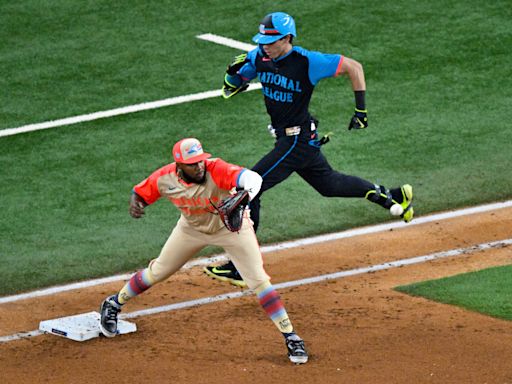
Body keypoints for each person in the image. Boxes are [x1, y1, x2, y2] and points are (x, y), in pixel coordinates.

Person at [204, 12, 414, 287]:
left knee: (248, 188)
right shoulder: (258, 57)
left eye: (272, 41)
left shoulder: (308, 62)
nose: (265, 46)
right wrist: (232, 74)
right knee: (328, 184)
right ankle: (395, 195)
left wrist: (360, 110)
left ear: (287, 38)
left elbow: (355, 67)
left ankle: (242, 267)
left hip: (296, 141)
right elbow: (231, 88)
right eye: (262, 41)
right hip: (292, 140)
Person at [98, 137, 308, 365]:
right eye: (192, 163)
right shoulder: (165, 178)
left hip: (230, 229)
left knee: (258, 281)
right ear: (179, 166)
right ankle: (114, 303)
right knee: (158, 272)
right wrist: (136, 202)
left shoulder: (216, 169)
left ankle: (291, 336)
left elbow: (252, 178)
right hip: (190, 230)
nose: (199, 166)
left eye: (200, 160)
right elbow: (140, 192)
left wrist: (247, 194)